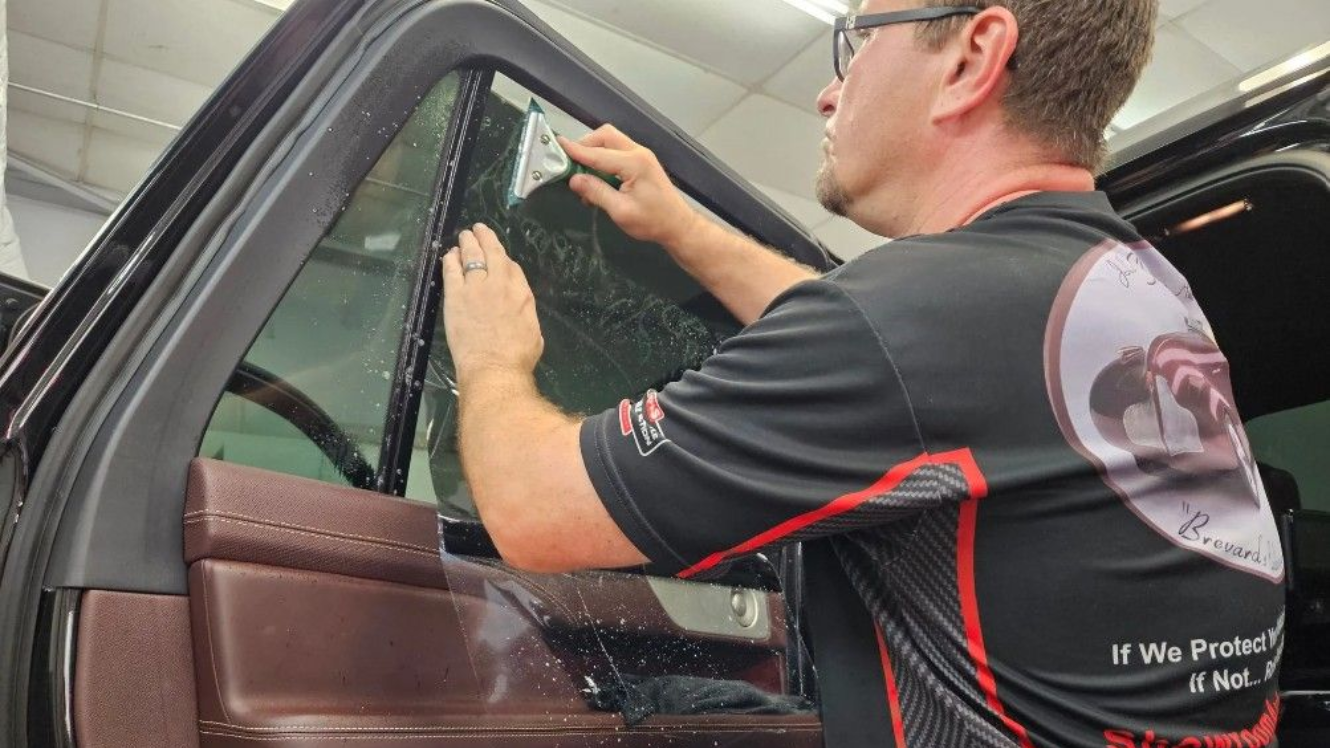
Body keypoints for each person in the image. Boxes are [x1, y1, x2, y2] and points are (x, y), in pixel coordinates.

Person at [439, 0, 1287, 746]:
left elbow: (536, 511)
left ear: (970, 59)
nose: (828, 91)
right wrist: (683, 231)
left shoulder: (923, 317)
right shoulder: (1134, 289)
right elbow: (898, 362)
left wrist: (490, 357)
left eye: (856, 38)